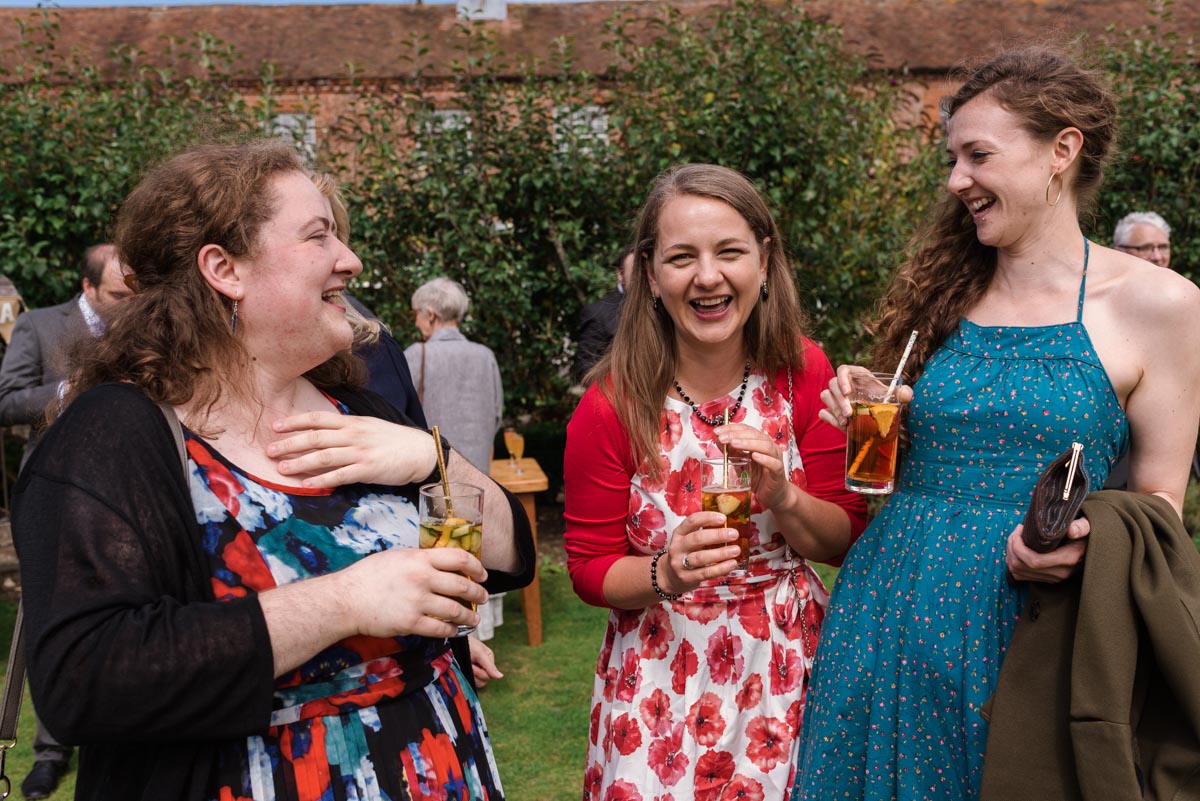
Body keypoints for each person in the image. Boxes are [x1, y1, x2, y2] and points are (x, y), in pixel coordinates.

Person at [11, 139, 536, 801]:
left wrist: (436, 459)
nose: (350, 259)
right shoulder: (114, 435)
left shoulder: (360, 407)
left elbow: (511, 552)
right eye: (319, 236)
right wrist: (344, 601)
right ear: (224, 268)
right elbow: (84, 678)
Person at [793, 46, 1200, 801]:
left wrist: (1076, 547)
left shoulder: (1164, 306)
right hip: (886, 610)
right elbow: (917, 452)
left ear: (1062, 151)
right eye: (953, 159)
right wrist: (869, 404)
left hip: (1031, 627)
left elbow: (1158, 510)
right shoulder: (942, 295)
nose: (956, 181)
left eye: (978, 155)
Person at [563, 163, 868, 800]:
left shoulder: (802, 372)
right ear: (649, 275)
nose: (708, 276)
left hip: (790, 669)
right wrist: (663, 575)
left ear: (763, 259)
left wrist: (783, 495)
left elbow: (843, 538)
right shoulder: (609, 406)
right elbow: (591, 568)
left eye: (729, 252)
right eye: (681, 257)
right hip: (658, 678)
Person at [311, 171, 504, 688]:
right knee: (465, 542)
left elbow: (413, 421)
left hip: (427, 465)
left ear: (429, 314)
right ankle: (471, 619)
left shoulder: (393, 351)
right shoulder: (483, 355)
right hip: (469, 463)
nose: (346, 261)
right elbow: (499, 409)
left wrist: (426, 451)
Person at [0, 242, 131, 800]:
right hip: (55, 491)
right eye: (120, 296)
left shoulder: (143, 328)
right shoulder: (38, 326)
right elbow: (5, 402)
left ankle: (118, 734)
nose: (132, 304)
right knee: (49, 616)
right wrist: (66, 392)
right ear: (88, 288)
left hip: (129, 490)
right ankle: (51, 752)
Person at [573, 244, 635, 383]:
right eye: (636, 272)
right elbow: (586, 370)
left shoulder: (664, 304)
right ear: (620, 275)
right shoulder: (598, 313)